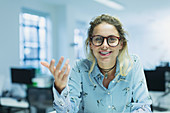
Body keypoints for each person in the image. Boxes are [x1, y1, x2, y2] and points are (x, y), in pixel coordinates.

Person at [41, 14, 152, 113]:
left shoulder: (133, 63)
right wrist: (60, 88)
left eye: (112, 39)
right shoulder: (80, 67)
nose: (104, 45)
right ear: (90, 44)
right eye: (98, 39)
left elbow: (144, 106)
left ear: (121, 44)